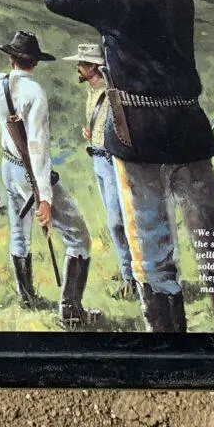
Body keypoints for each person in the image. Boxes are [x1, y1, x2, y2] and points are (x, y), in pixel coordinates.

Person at [44, 0, 214, 334]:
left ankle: (167, 338)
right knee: (213, 238)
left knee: (151, 243)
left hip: (137, 134)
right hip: (189, 128)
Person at [0, 32, 95, 327]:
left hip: (8, 168)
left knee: (19, 232)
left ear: (11, 58)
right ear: (34, 62)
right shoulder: (34, 93)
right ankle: (71, 311)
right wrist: (46, 199)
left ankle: (26, 297)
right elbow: (37, 149)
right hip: (30, 175)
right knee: (79, 237)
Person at [68, 42, 137, 302]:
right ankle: (126, 268)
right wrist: (91, 132)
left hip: (110, 161)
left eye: (81, 64)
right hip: (97, 159)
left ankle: (131, 278)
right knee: (114, 219)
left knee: (117, 222)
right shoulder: (92, 90)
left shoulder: (110, 92)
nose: (77, 68)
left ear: (93, 67)